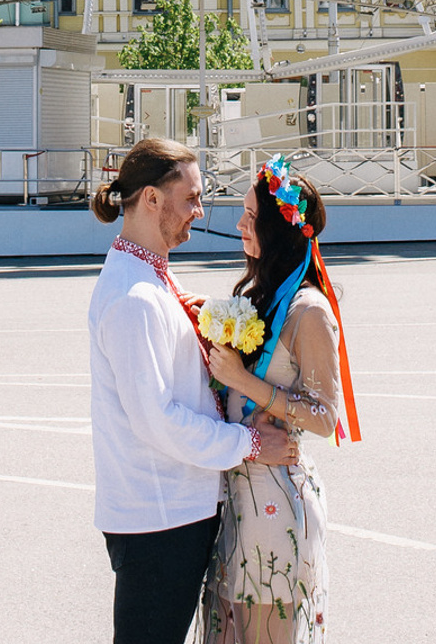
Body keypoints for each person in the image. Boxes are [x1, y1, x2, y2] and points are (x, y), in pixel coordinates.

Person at [89, 137, 301, 644]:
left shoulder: (149, 276)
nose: (200, 212)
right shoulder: (134, 298)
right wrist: (249, 444)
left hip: (175, 508)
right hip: (158, 518)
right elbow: (157, 419)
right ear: (152, 199)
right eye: (191, 199)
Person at [203, 158, 363, 642]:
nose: (239, 226)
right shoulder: (265, 297)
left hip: (276, 507)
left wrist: (242, 380)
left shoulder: (308, 311)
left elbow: (323, 416)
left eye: (251, 218)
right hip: (238, 501)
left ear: (276, 229)